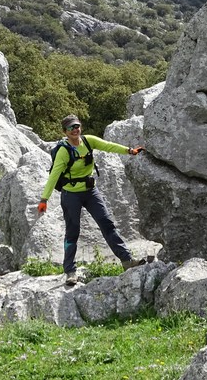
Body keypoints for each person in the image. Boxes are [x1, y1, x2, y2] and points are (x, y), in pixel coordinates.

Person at [37, 114, 145, 286]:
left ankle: (127, 261)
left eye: (77, 126)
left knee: (106, 223)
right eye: (71, 128)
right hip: (71, 195)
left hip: (90, 191)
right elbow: (54, 175)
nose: (75, 130)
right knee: (73, 232)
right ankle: (70, 272)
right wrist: (44, 199)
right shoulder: (64, 151)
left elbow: (108, 146)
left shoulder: (88, 141)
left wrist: (129, 151)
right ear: (65, 131)